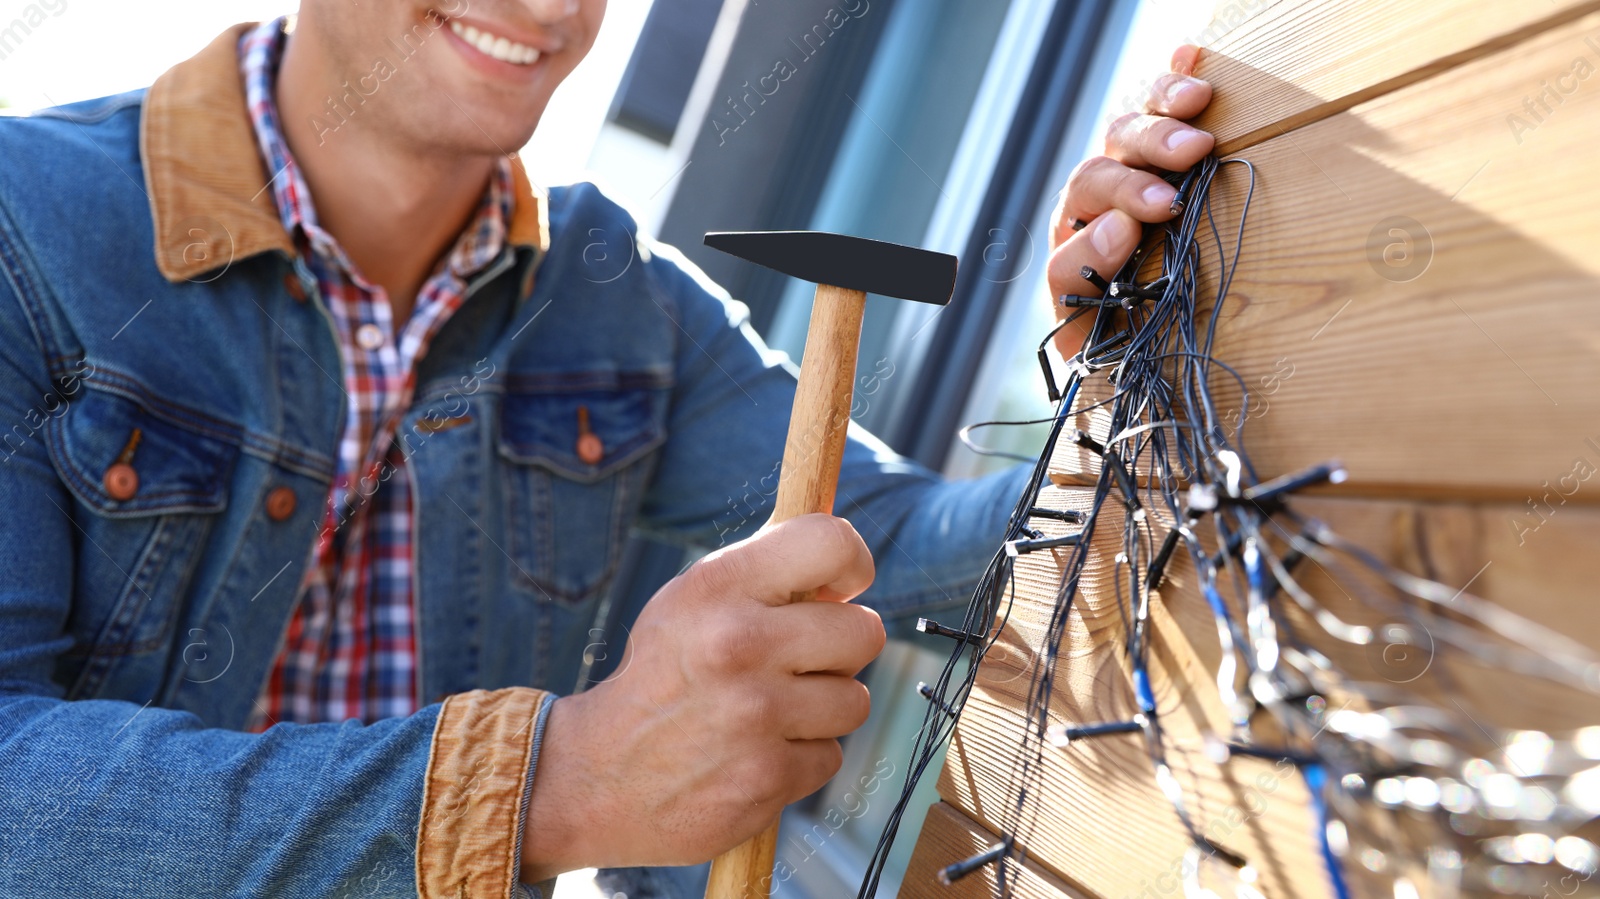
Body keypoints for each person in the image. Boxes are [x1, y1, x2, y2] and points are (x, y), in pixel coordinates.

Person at [0, 0, 1214, 894]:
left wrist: (1121, 361)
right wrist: (555, 779)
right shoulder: (22, 229)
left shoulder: (617, 293)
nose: (545, 9)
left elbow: (907, 545)